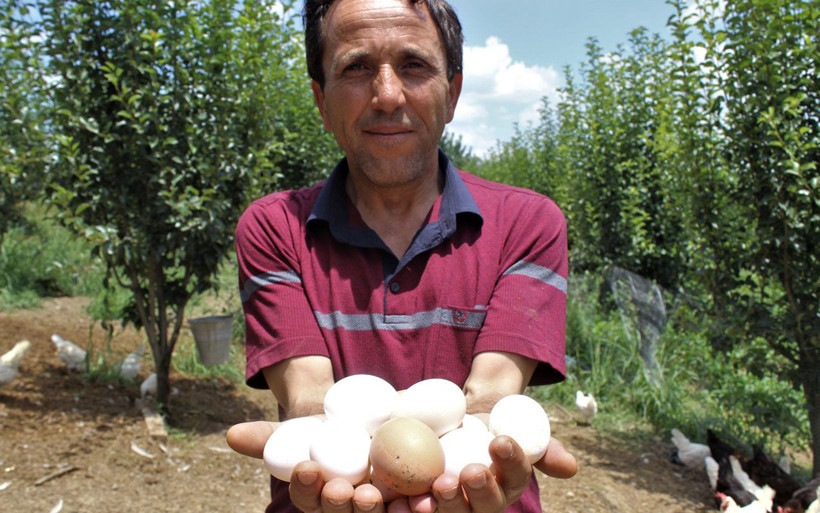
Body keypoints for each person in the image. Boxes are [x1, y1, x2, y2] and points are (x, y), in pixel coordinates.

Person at [226, 0, 578, 511]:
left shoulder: (528, 224)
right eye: (356, 67)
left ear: (452, 93)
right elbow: (312, 398)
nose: (387, 96)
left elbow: (490, 398)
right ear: (321, 102)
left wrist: (469, 446)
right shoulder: (274, 227)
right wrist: (335, 448)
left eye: (414, 65)